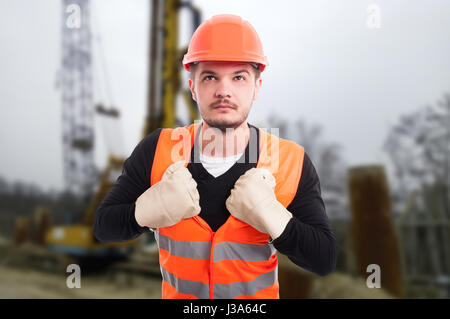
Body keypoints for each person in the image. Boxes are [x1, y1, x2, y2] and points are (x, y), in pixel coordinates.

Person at [94, 14, 337, 299]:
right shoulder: (156, 150)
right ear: (193, 86)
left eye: (238, 77)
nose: (224, 90)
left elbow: (323, 259)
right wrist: (144, 212)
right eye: (210, 77)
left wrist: (274, 217)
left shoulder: (290, 161)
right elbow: (104, 227)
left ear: (256, 86)